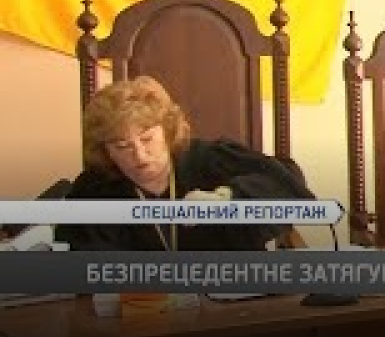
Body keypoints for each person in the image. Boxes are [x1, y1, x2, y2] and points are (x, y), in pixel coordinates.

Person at [54, 75, 315, 251]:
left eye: (147, 139)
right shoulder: (94, 188)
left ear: (167, 131)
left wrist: (227, 199)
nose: (140, 155)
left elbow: (288, 184)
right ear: (106, 151)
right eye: (122, 147)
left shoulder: (209, 159)